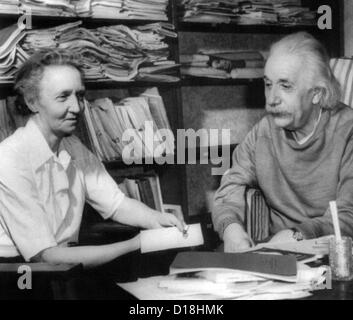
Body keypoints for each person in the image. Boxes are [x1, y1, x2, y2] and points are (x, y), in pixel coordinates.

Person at [0, 49, 185, 268]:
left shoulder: (72, 146)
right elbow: (46, 256)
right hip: (20, 275)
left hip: (65, 266)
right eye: (63, 97)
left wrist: (156, 218)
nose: (77, 108)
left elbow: (117, 204)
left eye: (79, 96)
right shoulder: (9, 158)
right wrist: (137, 244)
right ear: (32, 102)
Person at [212, 31, 353, 252]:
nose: (272, 98)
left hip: (334, 254)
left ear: (316, 93)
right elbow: (230, 186)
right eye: (268, 84)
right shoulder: (263, 132)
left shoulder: (348, 131)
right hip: (276, 252)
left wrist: (297, 236)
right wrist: (231, 229)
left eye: (285, 86)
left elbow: (349, 217)